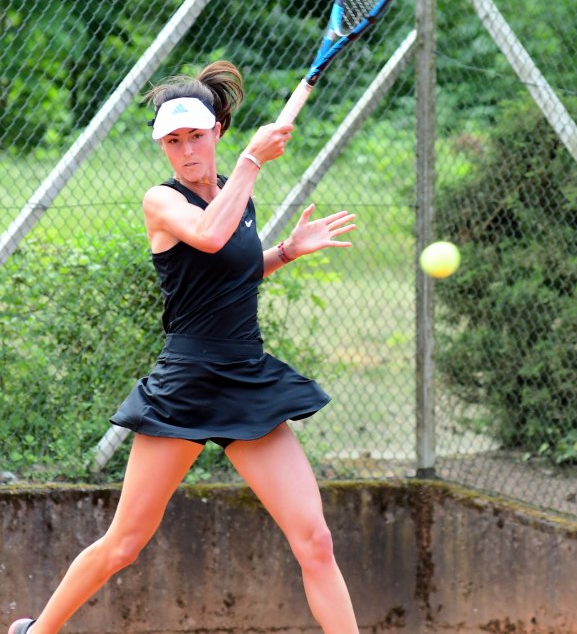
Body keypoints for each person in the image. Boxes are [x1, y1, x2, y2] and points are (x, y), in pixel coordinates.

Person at [9, 61, 359, 634]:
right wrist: (251, 162)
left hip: (247, 376)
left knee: (315, 540)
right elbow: (210, 236)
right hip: (187, 382)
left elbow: (230, 273)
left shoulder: (233, 193)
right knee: (123, 544)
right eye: (173, 141)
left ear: (217, 129)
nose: (187, 150)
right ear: (163, 148)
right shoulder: (162, 201)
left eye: (196, 135)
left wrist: (288, 251)